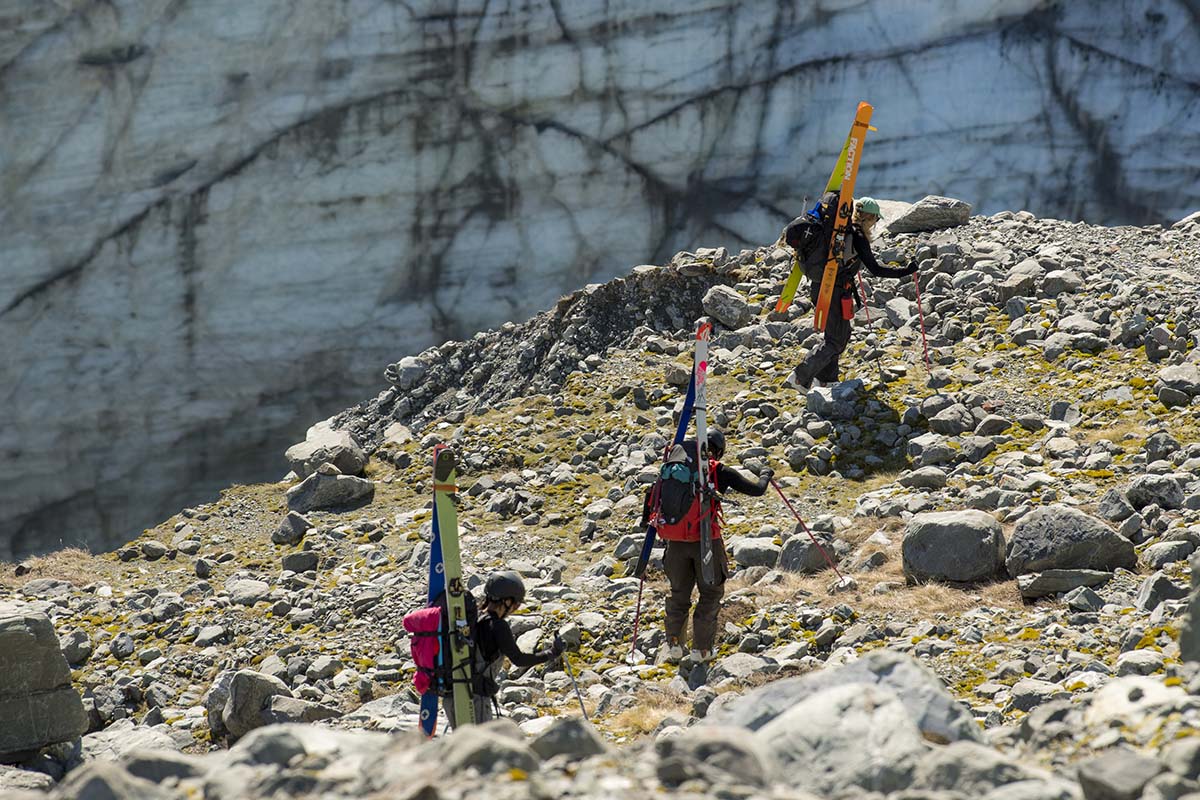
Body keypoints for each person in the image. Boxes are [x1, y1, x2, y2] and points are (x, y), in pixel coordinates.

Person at [652, 429, 772, 664]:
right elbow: (757, 489)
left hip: (675, 544)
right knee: (710, 593)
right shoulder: (717, 470)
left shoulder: (674, 467)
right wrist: (766, 474)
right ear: (718, 449)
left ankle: (675, 645)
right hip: (706, 541)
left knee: (679, 593)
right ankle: (702, 650)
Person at [787, 196, 918, 389]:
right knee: (835, 340)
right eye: (876, 219)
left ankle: (826, 380)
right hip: (834, 289)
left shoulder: (842, 230)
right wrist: (905, 271)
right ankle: (800, 376)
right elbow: (876, 269)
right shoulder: (856, 235)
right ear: (870, 218)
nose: (876, 223)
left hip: (822, 285)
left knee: (841, 334)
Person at [443, 570, 565, 727]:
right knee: (480, 749)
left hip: (452, 696)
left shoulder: (475, 618)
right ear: (507, 601)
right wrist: (551, 653)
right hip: (474, 700)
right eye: (516, 604)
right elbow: (518, 659)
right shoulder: (498, 626)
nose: (516, 608)